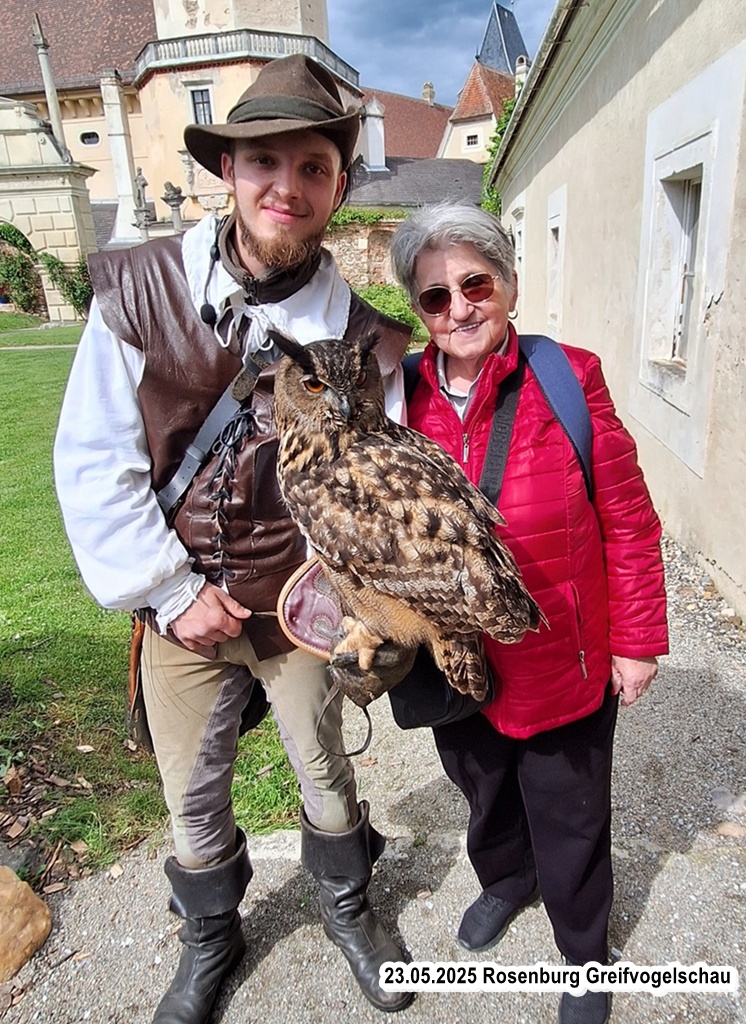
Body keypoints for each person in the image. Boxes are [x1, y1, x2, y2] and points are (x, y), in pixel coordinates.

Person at [53, 55, 414, 1024]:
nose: (286, 187)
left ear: (339, 186)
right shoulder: (140, 291)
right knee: (192, 789)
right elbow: (94, 458)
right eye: (265, 162)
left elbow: (383, 501)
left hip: (304, 603)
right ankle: (210, 937)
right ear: (228, 170)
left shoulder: (367, 342)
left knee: (325, 769)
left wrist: (373, 614)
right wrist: (171, 592)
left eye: (312, 167)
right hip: (180, 599)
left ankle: (348, 907)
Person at [389, 202, 668, 1024]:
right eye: (436, 297)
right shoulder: (397, 396)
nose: (459, 308)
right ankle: (508, 881)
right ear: (419, 311)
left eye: (476, 284)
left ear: (509, 283)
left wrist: (637, 642)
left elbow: (627, 518)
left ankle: (584, 953)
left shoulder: (568, 377)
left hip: (559, 655)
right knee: (482, 793)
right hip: (458, 660)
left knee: (571, 813)